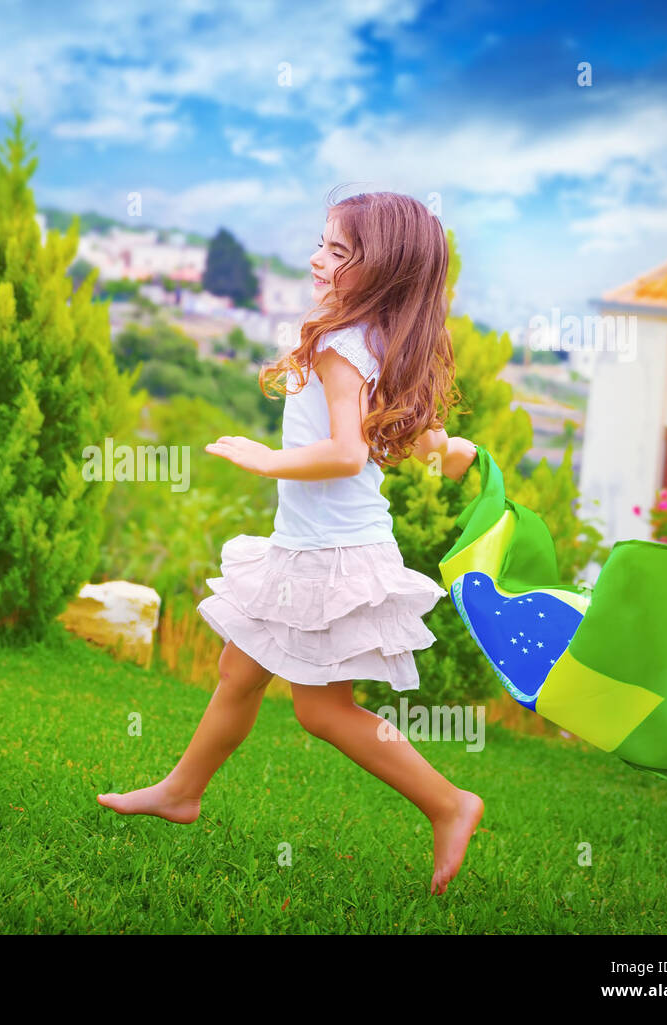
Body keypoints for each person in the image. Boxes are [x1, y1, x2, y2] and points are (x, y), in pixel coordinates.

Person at [97, 190, 484, 896]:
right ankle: (183, 790)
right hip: (308, 544)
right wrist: (450, 450)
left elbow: (343, 452)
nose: (317, 259)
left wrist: (261, 456)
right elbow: (401, 441)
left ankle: (450, 803)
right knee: (239, 672)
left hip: (328, 554)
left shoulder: (343, 346)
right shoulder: (372, 339)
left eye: (338, 251)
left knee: (322, 709)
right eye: (322, 242)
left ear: (386, 269)